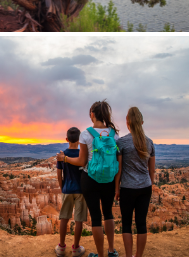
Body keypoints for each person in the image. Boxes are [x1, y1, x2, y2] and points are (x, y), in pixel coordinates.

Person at [58, 101, 120, 257]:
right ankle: (111, 251)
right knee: (108, 214)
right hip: (109, 180)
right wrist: (117, 185)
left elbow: (81, 161)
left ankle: (100, 254)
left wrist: (65, 159)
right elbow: (118, 162)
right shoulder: (114, 134)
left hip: (90, 179)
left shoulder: (86, 134)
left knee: (96, 218)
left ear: (92, 114)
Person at [115, 107, 155, 257]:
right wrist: (149, 185)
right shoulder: (149, 143)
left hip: (127, 187)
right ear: (141, 122)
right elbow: (152, 170)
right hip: (145, 187)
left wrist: (116, 189)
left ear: (128, 122)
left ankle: (128, 255)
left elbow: (118, 169)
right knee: (141, 223)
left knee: (126, 224)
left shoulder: (122, 142)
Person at [55, 127, 87, 257]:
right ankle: (76, 248)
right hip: (81, 190)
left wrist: (63, 187)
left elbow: (59, 174)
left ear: (66, 139)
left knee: (64, 218)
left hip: (67, 189)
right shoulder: (82, 154)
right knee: (78, 220)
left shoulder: (62, 155)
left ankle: (61, 247)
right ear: (79, 140)